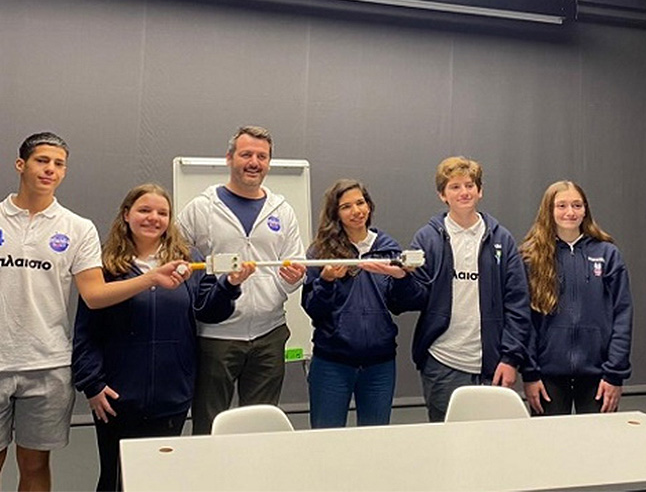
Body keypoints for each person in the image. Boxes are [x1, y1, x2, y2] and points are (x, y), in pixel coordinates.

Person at [0, 133, 183, 491]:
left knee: (35, 465)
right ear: (21, 165)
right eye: (42, 161)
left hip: (48, 365)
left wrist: (150, 278)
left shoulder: (77, 228)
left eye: (59, 164)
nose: (50, 170)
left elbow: (95, 295)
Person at [72, 183, 252, 491]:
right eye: (144, 210)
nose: (153, 218)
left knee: (158, 479)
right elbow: (86, 330)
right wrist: (92, 384)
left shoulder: (189, 260)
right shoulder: (105, 265)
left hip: (171, 395)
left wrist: (229, 285)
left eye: (162, 213)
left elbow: (209, 311)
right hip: (116, 397)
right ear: (126, 214)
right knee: (115, 478)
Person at [177, 125, 306, 435]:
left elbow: (295, 263)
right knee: (209, 426)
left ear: (269, 162)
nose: (254, 162)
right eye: (246, 154)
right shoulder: (202, 208)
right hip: (216, 337)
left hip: (270, 333)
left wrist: (291, 280)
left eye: (262, 156)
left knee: (260, 428)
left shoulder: (282, 211)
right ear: (229, 158)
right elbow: (175, 257)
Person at [409, 156, 532, 422]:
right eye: (455, 187)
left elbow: (518, 304)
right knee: (447, 440)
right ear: (442, 195)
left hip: (493, 364)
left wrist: (510, 358)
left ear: (480, 190)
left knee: (493, 441)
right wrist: (401, 278)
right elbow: (413, 297)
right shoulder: (427, 238)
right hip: (443, 362)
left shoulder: (502, 239)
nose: (463, 192)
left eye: (469, 185)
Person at [301, 179, 423, 428]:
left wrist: (401, 277)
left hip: (379, 365)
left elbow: (406, 303)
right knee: (325, 438)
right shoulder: (320, 252)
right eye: (346, 206)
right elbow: (313, 309)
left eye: (360, 203)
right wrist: (326, 281)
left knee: (375, 439)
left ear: (369, 205)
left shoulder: (388, 249)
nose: (356, 211)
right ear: (335, 213)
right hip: (332, 363)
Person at [519, 180, 632, 415]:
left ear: (585, 210)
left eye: (577, 205)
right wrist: (530, 373)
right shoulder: (531, 256)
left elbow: (622, 315)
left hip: (600, 377)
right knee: (550, 439)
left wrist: (614, 374)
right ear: (548, 210)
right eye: (561, 206)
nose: (570, 212)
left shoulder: (607, 254)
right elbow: (525, 320)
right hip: (546, 377)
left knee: (597, 439)